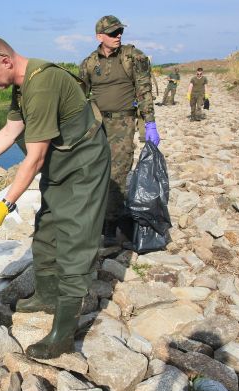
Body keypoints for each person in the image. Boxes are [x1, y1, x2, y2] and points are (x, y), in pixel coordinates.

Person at [0, 36, 111, 359]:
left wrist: (5, 204)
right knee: (47, 228)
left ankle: (63, 335)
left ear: (6, 62)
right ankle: (47, 296)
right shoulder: (22, 86)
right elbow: (11, 131)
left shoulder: (42, 84)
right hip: (62, 163)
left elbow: (34, 159)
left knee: (74, 240)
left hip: (84, 167)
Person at [78, 15, 160, 245]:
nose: (118, 36)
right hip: (95, 125)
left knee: (118, 174)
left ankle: (111, 227)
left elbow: (144, 90)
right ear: (99, 36)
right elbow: (77, 95)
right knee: (94, 172)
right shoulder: (89, 63)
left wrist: (150, 123)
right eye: (113, 33)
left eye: (120, 32)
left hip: (123, 125)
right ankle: (94, 218)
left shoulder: (133, 57)